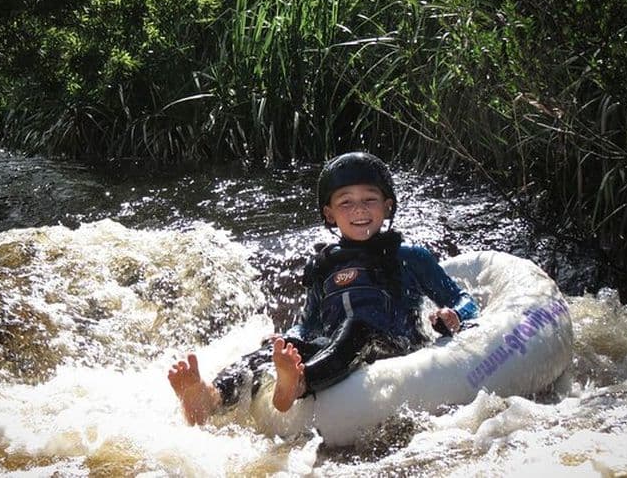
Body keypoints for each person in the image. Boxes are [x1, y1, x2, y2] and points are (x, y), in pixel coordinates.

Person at [168, 151, 479, 424]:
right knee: (274, 349)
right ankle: (212, 396)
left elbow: (463, 299)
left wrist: (454, 315)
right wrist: (288, 338)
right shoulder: (323, 267)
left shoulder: (410, 256)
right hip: (332, 347)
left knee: (357, 327)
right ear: (330, 214)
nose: (359, 210)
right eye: (347, 202)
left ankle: (301, 383)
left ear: (387, 206)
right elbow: (309, 323)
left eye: (370, 200)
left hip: (393, 344)